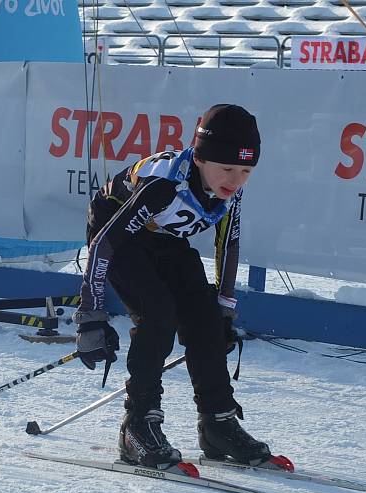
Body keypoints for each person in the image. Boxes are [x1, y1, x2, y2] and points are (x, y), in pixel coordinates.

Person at [74, 104, 276, 471]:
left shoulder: (229, 189)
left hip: (162, 237)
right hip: (116, 234)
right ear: (200, 158)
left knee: (204, 314)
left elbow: (228, 243)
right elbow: (105, 243)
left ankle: (218, 422)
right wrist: (90, 316)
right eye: (227, 168)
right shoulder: (165, 184)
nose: (236, 179)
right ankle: (138, 425)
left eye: (246, 170)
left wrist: (224, 310)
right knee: (159, 314)